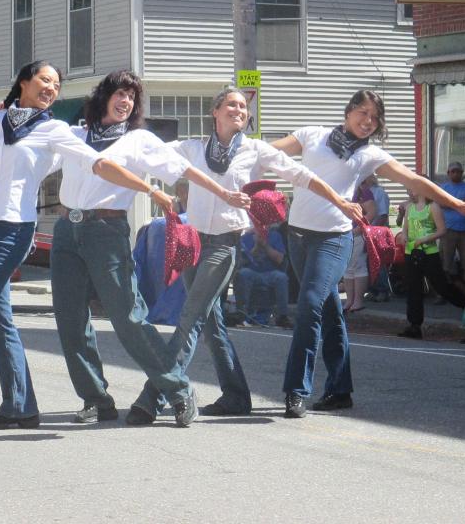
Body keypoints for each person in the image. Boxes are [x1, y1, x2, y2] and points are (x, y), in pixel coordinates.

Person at [0, 61, 167, 439]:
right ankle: (21, 406)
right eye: (45, 80)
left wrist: (150, 190)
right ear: (24, 83)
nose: (51, 88)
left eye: (57, 84)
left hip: (14, 230)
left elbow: (99, 163)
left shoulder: (54, 130)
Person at [129, 86, 359, 422]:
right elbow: (149, 154)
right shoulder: (193, 148)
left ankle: (155, 396)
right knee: (211, 323)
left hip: (224, 245)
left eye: (243, 106)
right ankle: (236, 395)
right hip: (193, 241)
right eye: (231, 105)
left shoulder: (255, 151)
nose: (239, 110)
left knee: (190, 317)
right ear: (215, 111)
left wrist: (339, 201)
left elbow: (302, 175)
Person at [50, 70, 250, 428]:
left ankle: (178, 391)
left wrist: (223, 193)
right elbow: (29, 145)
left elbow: (186, 170)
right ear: (104, 97)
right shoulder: (74, 134)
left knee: (128, 317)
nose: (125, 101)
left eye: (132, 97)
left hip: (105, 231)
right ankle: (96, 398)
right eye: (120, 93)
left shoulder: (139, 140)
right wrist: (7, 111)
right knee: (70, 319)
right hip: (67, 230)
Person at [272, 90, 465, 418]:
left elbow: (414, 179)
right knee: (328, 311)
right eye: (363, 113)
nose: (369, 122)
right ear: (349, 110)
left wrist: (457, 204)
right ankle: (340, 390)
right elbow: (270, 152)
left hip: (334, 239)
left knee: (310, 305)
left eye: (375, 118)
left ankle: (295, 389)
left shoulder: (369, 154)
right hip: (297, 236)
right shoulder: (312, 135)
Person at [398, 188, 465, 339]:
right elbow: (405, 228)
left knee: (441, 286)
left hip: (428, 253)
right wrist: (404, 236)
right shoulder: (409, 207)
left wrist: (424, 239)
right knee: (413, 289)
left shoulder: (433, 207)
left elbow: (442, 230)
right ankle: (414, 325)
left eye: (412, 189)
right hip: (411, 252)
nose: (410, 192)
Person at [232, 225, 292, 328]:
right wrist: (256, 245)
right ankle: (242, 313)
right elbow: (242, 261)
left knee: (281, 277)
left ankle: (282, 316)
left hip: (271, 272)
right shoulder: (246, 237)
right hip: (251, 271)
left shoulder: (275, 236)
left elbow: (280, 259)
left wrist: (265, 245)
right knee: (243, 274)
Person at [439, 161, 465, 294]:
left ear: (462, 173)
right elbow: (440, 204)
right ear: (448, 173)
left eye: (458, 171)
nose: (455, 174)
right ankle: (443, 294)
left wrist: (452, 203)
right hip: (447, 230)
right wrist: (460, 204)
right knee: (445, 264)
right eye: (453, 171)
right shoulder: (443, 188)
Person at [341, 184, 376, 313]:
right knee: (347, 268)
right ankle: (349, 300)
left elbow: (372, 212)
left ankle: (358, 301)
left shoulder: (363, 192)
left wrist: (358, 229)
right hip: (344, 233)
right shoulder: (343, 189)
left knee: (358, 266)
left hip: (357, 235)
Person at [364, 174, 392, 302]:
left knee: (378, 261)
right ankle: (372, 289)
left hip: (376, 232)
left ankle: (383, 290)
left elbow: (383, 215)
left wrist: (372, 231)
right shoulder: (361, 191)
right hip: (364, 231)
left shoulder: (379, 192)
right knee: (366, 262)